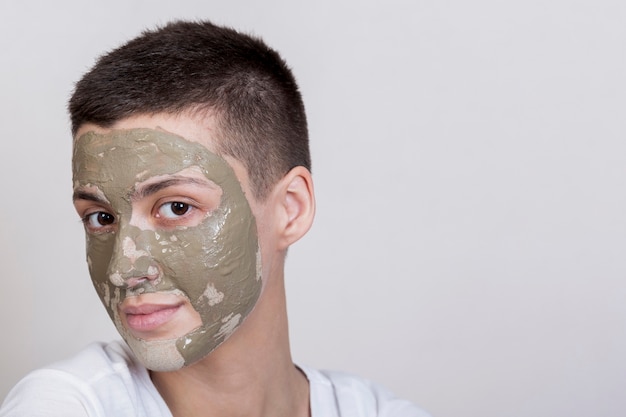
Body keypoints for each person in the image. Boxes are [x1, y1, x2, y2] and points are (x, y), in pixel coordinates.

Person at [0, 20, 430, 417]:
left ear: (290, 208)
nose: (123, 268)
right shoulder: (66, 405)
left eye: (177, 208)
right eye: (100, 217)